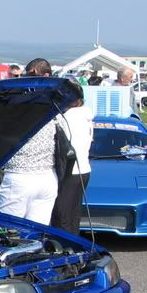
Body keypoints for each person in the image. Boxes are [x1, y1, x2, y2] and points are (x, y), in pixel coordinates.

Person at [0, 58, 59, 225]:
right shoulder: (55, 105)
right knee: (37, 231)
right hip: (47, 176)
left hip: (19, 176)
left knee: (7, 230)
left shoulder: (18, 104)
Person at [50, 80, 93, 234]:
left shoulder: (67, 117)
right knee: (73, 213)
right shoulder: (85, 115)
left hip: (69, 169)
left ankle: (64, 243)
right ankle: (73, 240)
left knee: (61, 214)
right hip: (83, 169)